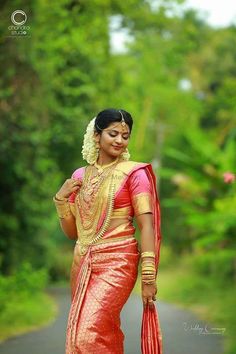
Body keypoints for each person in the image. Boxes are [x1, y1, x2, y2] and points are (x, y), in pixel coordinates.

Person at [53, 108, 163, 354]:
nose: (119, 141)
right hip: (83, 262)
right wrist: (61, 199)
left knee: (87, 333)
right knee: (94, 331)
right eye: (113, 134)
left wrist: (148, 277)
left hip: (118, 262)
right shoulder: (79, 177)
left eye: (125, 136)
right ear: (96, 135)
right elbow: (73, 233)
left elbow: (147, 226)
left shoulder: (135, 174)